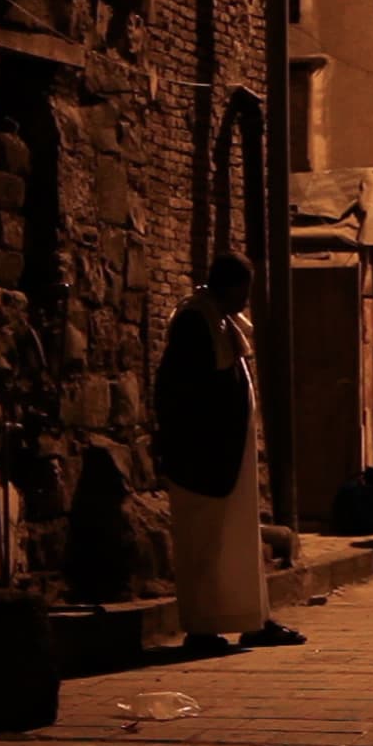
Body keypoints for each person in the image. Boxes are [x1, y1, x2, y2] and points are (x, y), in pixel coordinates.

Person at [153, 252, 306, 652]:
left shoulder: (220, 320)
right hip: (203, 459)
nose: (247, 299)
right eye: (245, 290)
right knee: (204, 544)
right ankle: (203, 629)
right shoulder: (194, 321)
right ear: (232, 286)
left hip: (227, 457)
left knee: (237, 543)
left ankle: (252, 618)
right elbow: (183, 394)